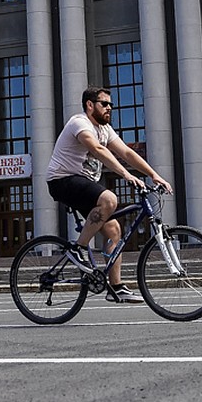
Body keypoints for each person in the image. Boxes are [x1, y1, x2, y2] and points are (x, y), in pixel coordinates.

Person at [46, 85, 173, 303]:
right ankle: (79, 249)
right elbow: (98, 150)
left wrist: (153, 175)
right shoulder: (80, 123)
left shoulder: (105, 130)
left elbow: (126, 152)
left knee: (114, 230)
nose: (109, 108)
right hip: (62, 181)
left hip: (83, 184)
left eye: (111, 105)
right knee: (109, 199)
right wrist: (126, 175)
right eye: (104, 104)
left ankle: (116, 288)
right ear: (89, 105)